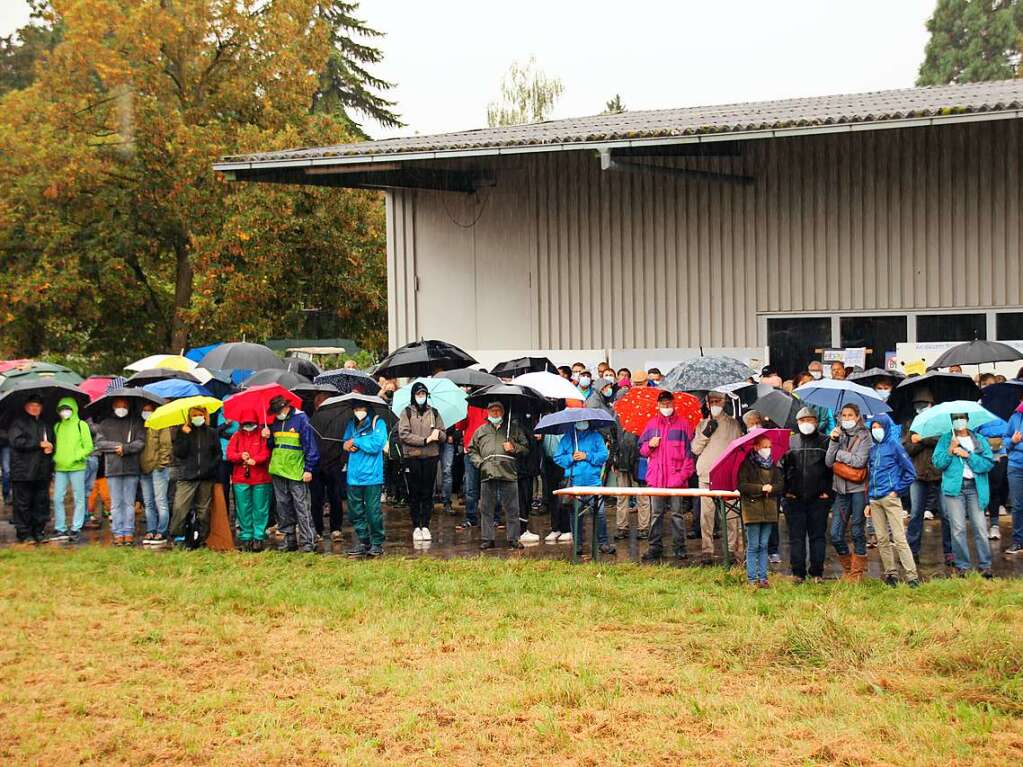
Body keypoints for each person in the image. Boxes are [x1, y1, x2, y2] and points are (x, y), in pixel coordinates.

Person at [934, 413, 995, 578]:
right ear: (951, 421)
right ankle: (963, 566)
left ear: (968, 420)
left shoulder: (979, 439)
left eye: (962, 418)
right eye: (955, 418)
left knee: (981, 527)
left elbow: (987, 464)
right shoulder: (946, 439)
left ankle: (985, 565)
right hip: (955, 489)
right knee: (958, 529)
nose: (959, 421)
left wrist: (967, 454)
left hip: (975, 488)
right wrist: (950, 450)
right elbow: (938, 463)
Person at [639, 391, 695, 562]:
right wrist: (650, 445)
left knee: (677, 515)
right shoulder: (651, 424)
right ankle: (654, 547)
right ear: (658, 405)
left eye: (668, 404)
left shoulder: (684, 424)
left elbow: (689, 456)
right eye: (663, 404)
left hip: (676, 479)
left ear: (674, 404)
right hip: (656, 479)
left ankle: (680, 547)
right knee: (656, 514)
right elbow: (641, 450)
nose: (666, 407)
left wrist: (681, 477)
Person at [865, 414, 919, 587]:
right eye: (873, 428)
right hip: (875, 499)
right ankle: (890, 574)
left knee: (899, 538)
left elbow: (910, 472)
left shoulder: (895, 446)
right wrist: (868, 500)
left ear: (886, 427)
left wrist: (897, 490)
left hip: (890, 497)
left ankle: (912, 576)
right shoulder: (872, 450)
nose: (876, 430)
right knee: (881, 539)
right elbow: (870, 474)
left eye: (878, 427)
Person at [691, 391, 743, 565]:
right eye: (711, 401)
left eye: (717, 401)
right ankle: (707, 550)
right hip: (706, 474)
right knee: (706, 515)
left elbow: (738, 448)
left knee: (731, 516)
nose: (714, 404)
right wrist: (706, 433)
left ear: (724, 402)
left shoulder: (733, 424)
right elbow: (695, 449)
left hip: (727, 475)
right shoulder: (701, 425)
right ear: (706, 404)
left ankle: (732, 549)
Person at [781, 408, 832, 582]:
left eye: (810, 420)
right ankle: (798, 573)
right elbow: (782, 469)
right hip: (793, 499)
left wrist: (827, 492)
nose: (806, 424)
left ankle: (817, 573)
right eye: (803, 420)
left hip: (819, 498)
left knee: (817, 537)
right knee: (796, 537)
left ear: (816, 422)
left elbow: (831, 469)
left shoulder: (825, 441)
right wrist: (786, 492)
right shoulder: (790, 442)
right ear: (797, 422)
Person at [903, 390, 953, 566]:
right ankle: (912, 551)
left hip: (940, 473)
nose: (921, 408)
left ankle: (949, 552)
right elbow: (908, 448)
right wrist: (921, 441)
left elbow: (943, 442)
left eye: (925, 404)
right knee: (916, 513)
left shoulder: (942, 422)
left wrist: (921, 439)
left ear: (932, 405)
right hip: (918, 474)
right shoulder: (911, 423)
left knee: (946, 515)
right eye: (918, 405)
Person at [470, 401, 528, 550]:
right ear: (488, 412)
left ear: (502, 412)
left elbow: (526, 448)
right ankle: (487, 538)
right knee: (486, 508)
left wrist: (513, 447)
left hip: (508, 473)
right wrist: (480, 463)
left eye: (498, 410)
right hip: (487, 473)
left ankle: (514, 538)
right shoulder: (481, 431)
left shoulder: (513, 430)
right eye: (492, 410)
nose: (495, 413)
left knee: (512, 508)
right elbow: (472, 450)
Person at [265, 395, 319, 553]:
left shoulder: (302, 419)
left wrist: (309, 469)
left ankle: (308, 541)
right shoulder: (275, 422)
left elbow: (310, 445)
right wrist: (267, 437)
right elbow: (273, 446)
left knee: (302, 507)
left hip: (297, 471)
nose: (276, 414)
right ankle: (289, 541)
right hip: (278, 470)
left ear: (285, 407)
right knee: (283, 508)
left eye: (277, 411)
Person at [554, 419, 614, 555]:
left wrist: (587, 456)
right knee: (575, 515)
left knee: (600, 514)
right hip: (575, 483)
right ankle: (578, 544)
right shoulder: (567, 438)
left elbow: (604, 455)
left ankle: (603, 543)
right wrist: (571, 458)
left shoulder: (596, 436)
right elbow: (557, 457)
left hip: (594, 483)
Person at [825, 403, 871, 580]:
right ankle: (848, 567)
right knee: (836, 534)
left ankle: (856, 573)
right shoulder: (838, 434)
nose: (847, 419)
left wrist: (839, 455)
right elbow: (829, 462)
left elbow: (860, 461)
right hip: (840, 490)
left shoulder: (865, 436)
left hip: (858, 489)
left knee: (858, 531)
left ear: (858, 417)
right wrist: (834, 441)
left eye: (850, 415)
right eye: (844, 415)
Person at [397, 382, 445, 542]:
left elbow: (444, 433)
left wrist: (439, 435)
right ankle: (416, 525)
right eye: (418, 394)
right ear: (413, 395)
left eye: (423, 394)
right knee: (414, 493)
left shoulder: (435, 412)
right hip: (412, 457)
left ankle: (426, 525)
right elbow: (404, 435)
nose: (421, 397)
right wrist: (425, 440)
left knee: (427, 492)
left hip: (431, 456)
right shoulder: (407, 412)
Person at [94, 397, 144, 546]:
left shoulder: (135, 423)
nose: (121, 408)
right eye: (118, 405)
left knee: (129, 503)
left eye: (124, 405)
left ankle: (128, 533)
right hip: (113, 468)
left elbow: (140, 442)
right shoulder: (105, 424)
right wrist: (118, 446)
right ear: (113, 407)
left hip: (131, 468)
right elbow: (100, 444)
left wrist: (126, 449)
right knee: (116, 504)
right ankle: (117, 533)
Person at [169, 405, 222, 547]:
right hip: (187, 476)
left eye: (200, 414)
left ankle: (202, 538)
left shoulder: (212, 433)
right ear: (189, 417)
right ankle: (178, 537)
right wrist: (184, 434)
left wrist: (210, 469)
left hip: (206, 477)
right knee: (180, 508)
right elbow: (179, 453)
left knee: (203, 511)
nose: (197, 417)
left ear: (205, 416)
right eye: (194, 415)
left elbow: (218, 455)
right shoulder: (183, 432)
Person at [737, 435, 784, 587]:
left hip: (769, 510)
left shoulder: (773, 466)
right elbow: (742, 486)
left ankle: (763, 578)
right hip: (752, 510)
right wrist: (760, 488)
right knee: (753, 545)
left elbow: (781, 484)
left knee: (764, 545)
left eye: (769, 446)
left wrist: (773, 488)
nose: (767, 450)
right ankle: (752, 578)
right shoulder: (746, 465)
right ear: (756, 447)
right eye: (764, 446)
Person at [342, 404, 389, 557]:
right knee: (355, 512)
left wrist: (356, 442)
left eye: (360, 408)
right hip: (354, 475)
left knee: (373, 511)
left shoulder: (378, 422)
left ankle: (377, 543)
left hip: (372, 476)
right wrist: (346, 445)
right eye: (355, 408)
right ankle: (363, 541)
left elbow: (376, 444)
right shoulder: (351, 423)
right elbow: (345, 441)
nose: (358, 411)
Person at [8, 396, 54, 544]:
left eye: (38, 405)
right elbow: (17, 442)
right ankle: (24, 533)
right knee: (23, 503)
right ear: (26, 406)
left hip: (42, 471)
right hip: (23, 471)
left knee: (40, 502)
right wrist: (38, 444)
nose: (35, 408)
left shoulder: (45, 424)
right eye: (32, 405)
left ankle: (38, 531)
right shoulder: (18, 423)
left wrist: (51, 448)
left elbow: (51, 441)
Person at [225, 409, 272, 551]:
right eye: (246, 423)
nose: (248, 425)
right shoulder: (236, 436)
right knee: (243, 509)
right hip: (241, 478)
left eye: (251, 423)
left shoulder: (263, 435)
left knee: (260, 509)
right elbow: (229, 454)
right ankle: (247, 538)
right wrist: (240, 456)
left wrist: (255, 460)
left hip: (261, 478)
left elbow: (266, 452)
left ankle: (258, 537)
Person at [49, 396, 93, 544]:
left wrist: (77, 456)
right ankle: (60, 527)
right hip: (60, 467)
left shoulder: (82, 425)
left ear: (74, 409)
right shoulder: (57, 426)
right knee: (57, 498)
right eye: (62, 410)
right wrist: (56, 457)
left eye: (67, 409)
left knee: (79, 498)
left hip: (77, 467)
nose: (65, 412)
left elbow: (89, 446)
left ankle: (76, 527)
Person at [309, 393, 345, 542]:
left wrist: (341, 461)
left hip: (332, 464)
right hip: (319, 465)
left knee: (333, 498)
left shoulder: (339, 420)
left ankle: (333, 529)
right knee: (317, 499)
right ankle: (321, 529)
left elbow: (343, 441)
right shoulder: (311, 420)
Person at [139, 401, 173, 547]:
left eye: (149, 410)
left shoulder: (160, 424)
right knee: (148, 502)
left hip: (159, 468)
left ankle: (162, 530)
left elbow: (166, 446)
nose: (146, 412)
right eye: (144, 410)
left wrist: (161, 464)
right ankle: (151, 529)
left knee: (161, 500)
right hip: (143, 468)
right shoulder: (140, 426)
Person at [455, 395, 486, 531]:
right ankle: (471, 517)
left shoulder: (489, 405)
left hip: (486, 450)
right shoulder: (467, 405)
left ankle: (491, 517)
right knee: (471, 487)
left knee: (487, 486)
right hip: (471, 450)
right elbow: (460, 425)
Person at [1002, 402, 1023, 557]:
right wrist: (1013, 441)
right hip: (1016, 466)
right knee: (1017, 505)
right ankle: (1018, 541)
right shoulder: (1015, 417)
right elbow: (1005, 440)